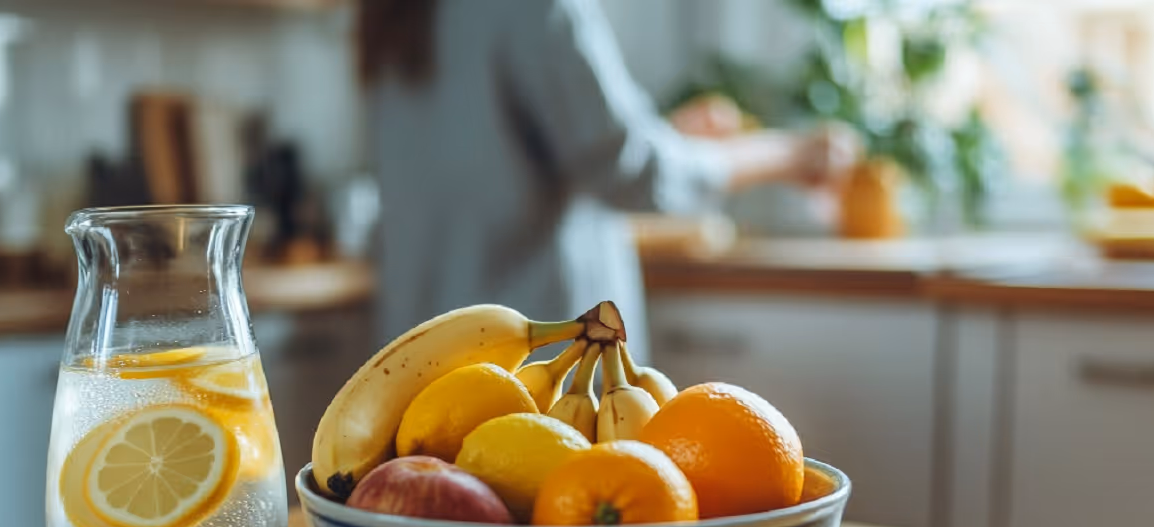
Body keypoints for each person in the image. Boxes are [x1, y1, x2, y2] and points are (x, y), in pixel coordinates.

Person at [357, 0, 852, 358]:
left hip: (423, 361)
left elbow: (504, 160)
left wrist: (668, 134)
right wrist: (786, 154)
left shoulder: (398, 16)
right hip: (542, 363)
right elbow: (635, 173)